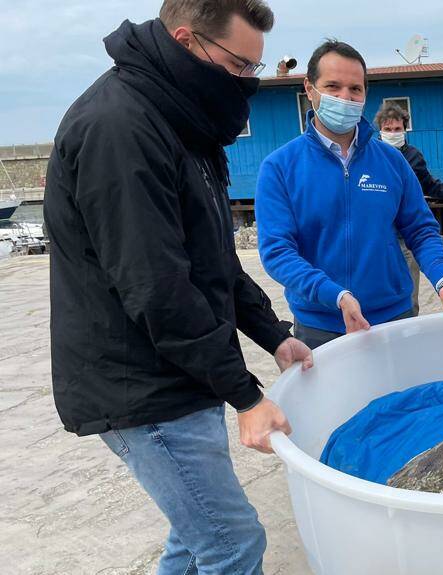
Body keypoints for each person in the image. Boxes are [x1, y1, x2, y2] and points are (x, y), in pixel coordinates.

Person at [44, 1, 314, 573]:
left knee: (194, 541)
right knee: (232, 543)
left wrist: (274, 335)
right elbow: (158, 289)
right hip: (139, 386)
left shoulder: (185, 120)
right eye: (240, 67)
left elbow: (212, 256)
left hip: (183, 375)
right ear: (187, 41)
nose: (247, 84)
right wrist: (246, 395)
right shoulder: (120, 127)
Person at [256, 40, 443, 350]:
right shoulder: (279, 167)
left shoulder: (391, 161)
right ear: (309, 88)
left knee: (404, 399)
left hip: (394, 318)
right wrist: (335, 295)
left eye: (355, 89)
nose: (345, 98)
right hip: (321, 326)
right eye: (332, 86)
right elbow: (277, 252)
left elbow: (421, 230)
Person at [374, 101, 443, 316]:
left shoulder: (413, 156)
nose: (393, 133)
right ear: (379, 130)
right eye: (388, 129)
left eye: (397, 129)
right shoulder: (368, 155)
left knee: (408, 298)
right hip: (375, 239)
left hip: (405, 237)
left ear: (405, 129)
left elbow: (429, 183)